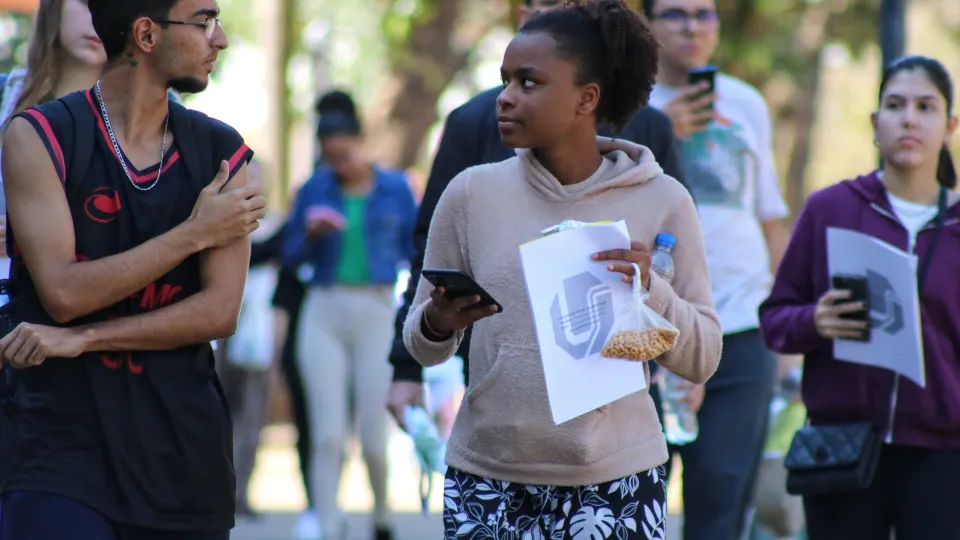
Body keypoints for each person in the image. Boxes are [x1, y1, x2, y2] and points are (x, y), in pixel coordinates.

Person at [402, 2, 721, 538]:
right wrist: (438, 321)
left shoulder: (663, 200)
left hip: (619, 479)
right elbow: (421, 343)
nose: (505, 97)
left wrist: (653, 289)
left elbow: (704, 357)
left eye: (529, 82)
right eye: (505, 80)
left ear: (586, 98)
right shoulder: (469, 194)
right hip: (487, 479)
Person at [0, 0, 264, 537]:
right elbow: (63, 295)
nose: (220, 40)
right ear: (146, 34)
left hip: (181, 455)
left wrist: (84, 339)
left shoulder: (222, 152)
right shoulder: (38, 137)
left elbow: (217, 312)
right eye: (204, 21)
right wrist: (193, 234)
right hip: (59, 448)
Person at [387, 0, 688, 424]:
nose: (507, 99)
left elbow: (679, 279)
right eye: (536, 6)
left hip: (620, 434)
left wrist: (654, 293)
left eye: (563, 7)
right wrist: (408, 361)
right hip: (495, 436)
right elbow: (431, 263)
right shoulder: (472, 137)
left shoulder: (653, 145)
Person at [759, 55, 960, 540]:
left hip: (944, 453)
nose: (909, 118)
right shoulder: (831, 208)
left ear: (950, 124)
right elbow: (774, 321)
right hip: (843, 445)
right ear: (875, 123)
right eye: (894, 105)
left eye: (924, 106)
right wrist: (815, 322)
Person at [643, 0, 791, 537]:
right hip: (649, 331)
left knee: (722, 507)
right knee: (637, 505)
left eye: (704, 14)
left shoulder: (747, 104)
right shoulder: (628, 105)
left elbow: (769, 216)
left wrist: (783, 322)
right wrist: (660, 130)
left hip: (742, 327)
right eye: (676, 14)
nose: (692, 27)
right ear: (648, 25)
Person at [282, 89, 417, 540]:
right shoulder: (314, 188)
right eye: (329, 157)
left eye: (345, 153)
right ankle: (326, 522)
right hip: (324, 307)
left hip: (376, 308)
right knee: (327, 433)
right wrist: (310, 233)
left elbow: (415, 253)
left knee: (375, 437)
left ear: (361, 142)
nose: (338, 164)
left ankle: (381, 516)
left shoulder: (395, 188)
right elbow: (288, 254)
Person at [0, 0, 107, 280]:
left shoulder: (161, 112)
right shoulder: (4, 95)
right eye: (86, 2)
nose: (99, 17)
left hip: (97, 307)